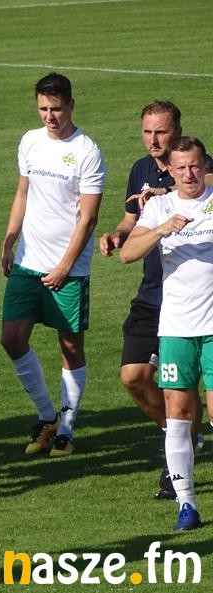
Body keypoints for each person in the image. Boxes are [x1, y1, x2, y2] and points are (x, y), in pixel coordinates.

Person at [98, 101, 208, 499]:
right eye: (147, 132)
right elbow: (132, 221)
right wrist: (117, 234)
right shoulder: (141, 169)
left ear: (176, 131)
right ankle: (180, 437)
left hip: (198, 301)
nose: (153, 140)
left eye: (160, 132)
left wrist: (172, 190)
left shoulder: (195, 166)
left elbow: (200, 187)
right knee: (133, 376)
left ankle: (177, 458)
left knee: (185, 393)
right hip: (153, 295)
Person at [0, 72, 106, 457]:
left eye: (56, 109)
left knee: (70, 347)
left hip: (68, 269)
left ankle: (66, 429)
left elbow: (88, 218)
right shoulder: (30, 141)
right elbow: (22, 193)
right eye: (43, 108)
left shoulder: (87, 151)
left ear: (71, 105)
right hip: (28, 262)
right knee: (11, 338)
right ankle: (47, 415)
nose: (49, 116)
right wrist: (9, 239)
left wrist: (64, 266)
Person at [120, 135, 212, 531]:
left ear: (204, 166)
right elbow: (127, 253)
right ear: (170, 171)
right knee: (178, 415)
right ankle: (186, 505)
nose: (189, 174)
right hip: (175, 328)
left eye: (195, 166)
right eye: (181, 167)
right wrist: (162, 229)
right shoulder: (160, 206)